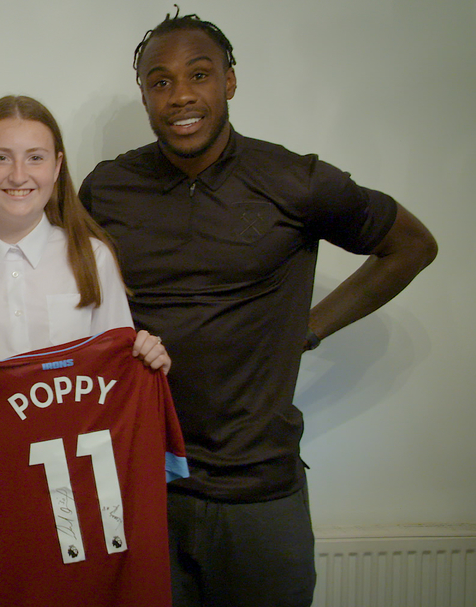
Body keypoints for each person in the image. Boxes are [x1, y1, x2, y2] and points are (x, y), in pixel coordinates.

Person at [78, 10, 438, 607]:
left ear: (230, 81)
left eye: (199, 74)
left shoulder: (296, 180)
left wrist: (313, 327)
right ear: (144, 94)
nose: (181, 95)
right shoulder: (108, 186)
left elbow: (412, 246)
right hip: (141, 483)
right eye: (160, 81)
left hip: (258, 491)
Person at [0, 95, 170, 607]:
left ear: (58, 166)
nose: (18, 173)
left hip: (81, 497)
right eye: (1, 156)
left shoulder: (92, 257)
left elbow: (118, 383)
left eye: (36, 156)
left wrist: (146, 357)